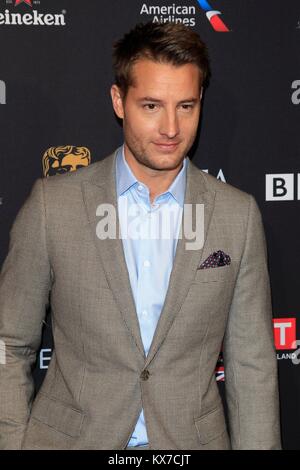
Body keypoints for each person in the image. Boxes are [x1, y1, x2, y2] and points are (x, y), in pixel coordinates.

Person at [0, 21, 281, 450]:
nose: (171, 127)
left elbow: (252, 364)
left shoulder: (235, 215)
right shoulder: (51, 207)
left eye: (186, 106)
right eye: (152, 106)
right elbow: (10, 344)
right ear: (119, 101)